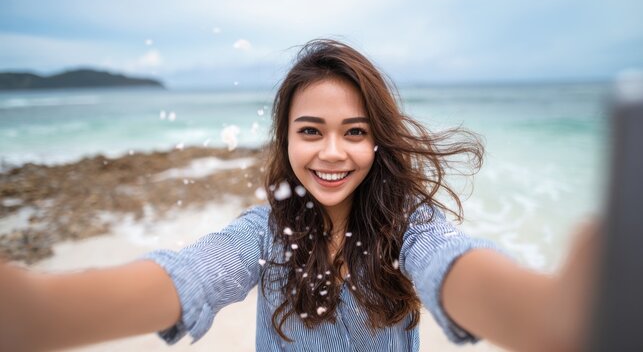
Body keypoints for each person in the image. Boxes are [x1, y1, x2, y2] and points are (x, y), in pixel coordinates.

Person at [0, 39, 597, 352]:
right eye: (310, 131)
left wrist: (544, 316)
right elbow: (192, 274)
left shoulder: (408, 225)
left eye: (355, 132)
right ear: (284, 139)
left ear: (378, 142)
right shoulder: (263, 233)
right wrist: (42, 313)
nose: (332, 153)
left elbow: (452, 264)